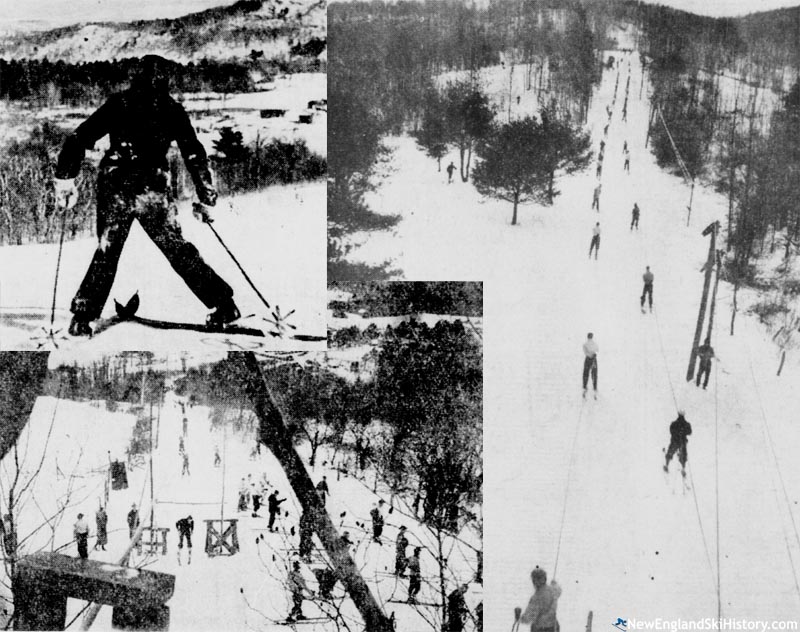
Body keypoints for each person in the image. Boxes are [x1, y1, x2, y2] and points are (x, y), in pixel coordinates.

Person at [53, 54, 239, 336]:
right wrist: (205, 197)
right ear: (164, 80)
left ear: (137, 76)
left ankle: (82, 317)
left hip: (116, 185)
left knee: (107, 251)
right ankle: (224, 305)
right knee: (177, 248)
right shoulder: (171, 108)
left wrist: (65, 179)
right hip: (152, 187)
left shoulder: (120, 103)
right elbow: (194, 154)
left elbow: (79, 138)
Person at [516, 567, 562, 632]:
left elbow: (530, 616)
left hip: (540, 629)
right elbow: (558, 590)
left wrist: (520, 619)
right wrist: (554, 584)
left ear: (536, 581)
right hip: (554, 627)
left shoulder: (536, 598)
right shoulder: (553, 590)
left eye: (533, 580)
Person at [664, 411, 692, 476]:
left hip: (675, 441)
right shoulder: (686, 424)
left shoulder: (674, 423)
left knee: (670, 451)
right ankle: (683, 468)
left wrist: (677, 432)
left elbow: (671, 431)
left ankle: (667, 465)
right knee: (683, 454)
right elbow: (690, 432)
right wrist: (683, 431)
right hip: (682, 441)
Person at [582, 333, 598, 397]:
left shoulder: (585, 344)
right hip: (594, 359)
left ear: (587, 337)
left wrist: (589, 354)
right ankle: (595, 387)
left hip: (588, 359)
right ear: (592, 337)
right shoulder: (595, 344)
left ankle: (585, 386)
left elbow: (585, 352)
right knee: (594, 374)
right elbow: (597, 350)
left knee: (586, 373)